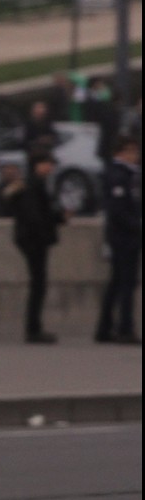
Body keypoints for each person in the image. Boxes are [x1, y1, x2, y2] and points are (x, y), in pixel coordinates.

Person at [7, 149, 65, 344]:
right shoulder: (33, 185)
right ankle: (33, 329)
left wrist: (59, 218)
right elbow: (35, 216)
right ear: (37, 165)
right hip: (34, 241)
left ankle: (34, 328)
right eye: (47, 163)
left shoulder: (33, 183)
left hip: (32, 239)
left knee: (38, 284)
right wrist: (47, 231)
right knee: (38, 284)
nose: (51, 167)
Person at [94, 136, 142, 344]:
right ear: (120, 153)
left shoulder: (129, 175)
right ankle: (125, 328)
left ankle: (104, 328)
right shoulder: (118, 175)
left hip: (126, 236)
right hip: (123, 238)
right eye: (131, 152)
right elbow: (118, 211)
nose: (135, 156)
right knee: (126, 284)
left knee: (116, 283)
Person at [19, 100, 58, 165]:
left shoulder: (48, 125)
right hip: (33, 158)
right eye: (38, 110)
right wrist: (38, 141)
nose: (40, 113)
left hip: (45, 157)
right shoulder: (28, 126)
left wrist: (48, 140)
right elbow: (24, 142)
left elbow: (54, 138)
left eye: (42, 111)